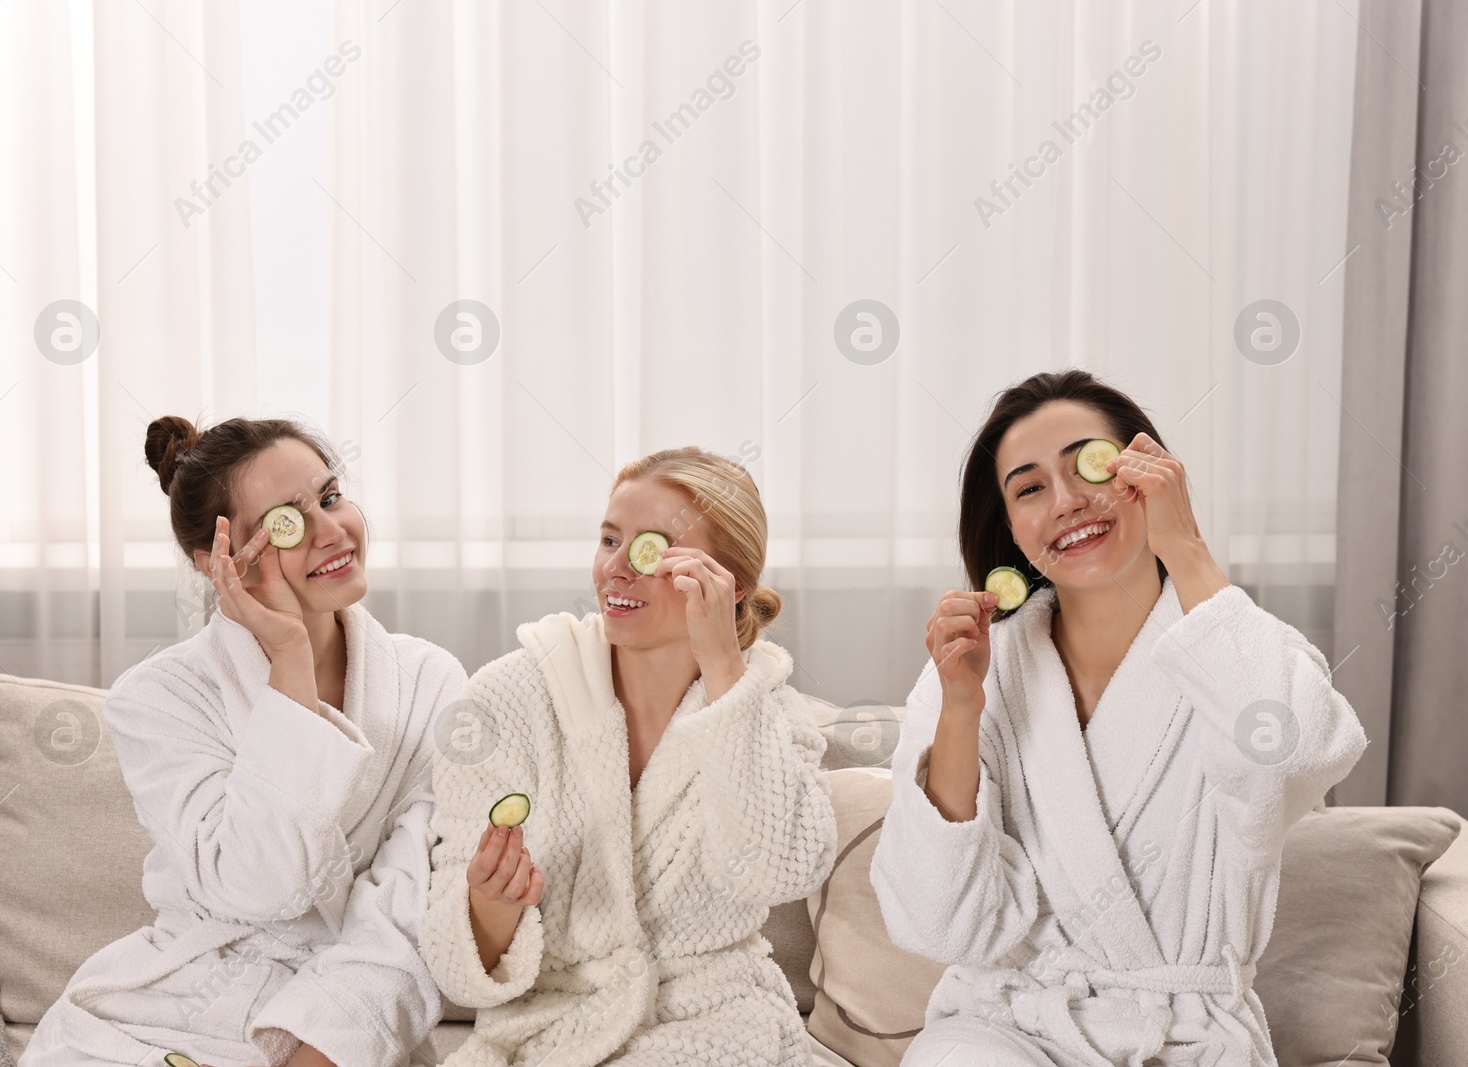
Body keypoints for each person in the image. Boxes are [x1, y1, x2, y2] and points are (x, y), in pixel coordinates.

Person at [870, 370, 1367, 1066]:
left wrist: (1186, 547)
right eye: (1030, 487)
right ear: (1009, 526)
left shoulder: (1240, 646)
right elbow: (939, 917)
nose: (1069, 501)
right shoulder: (983, 666)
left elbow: (1294, 757)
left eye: (1089, 465)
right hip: (1007, 1026)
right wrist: (960, 706)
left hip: (1184, 1036)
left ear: (1148, 476)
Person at [21, 416, 465, 1067]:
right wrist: (290, 656)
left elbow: (410, 911)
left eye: (330, 496)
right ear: (216, 563)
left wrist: (322, 1048)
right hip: (174, 1006)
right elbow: (260, 887)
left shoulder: (428, 681)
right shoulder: (157, 697)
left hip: (343, 1020)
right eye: (287, 520)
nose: (331, 530)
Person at [420, 445, 837, 1066]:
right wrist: (491, 904)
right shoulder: (505, 703)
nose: (617, 569)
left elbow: (778, 873)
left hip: (717, 1025)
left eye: (651, 549)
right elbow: (456, 967)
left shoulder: (773, 718)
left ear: (731, 584)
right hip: (545, 1030)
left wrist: (725, 670)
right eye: (609, 540)